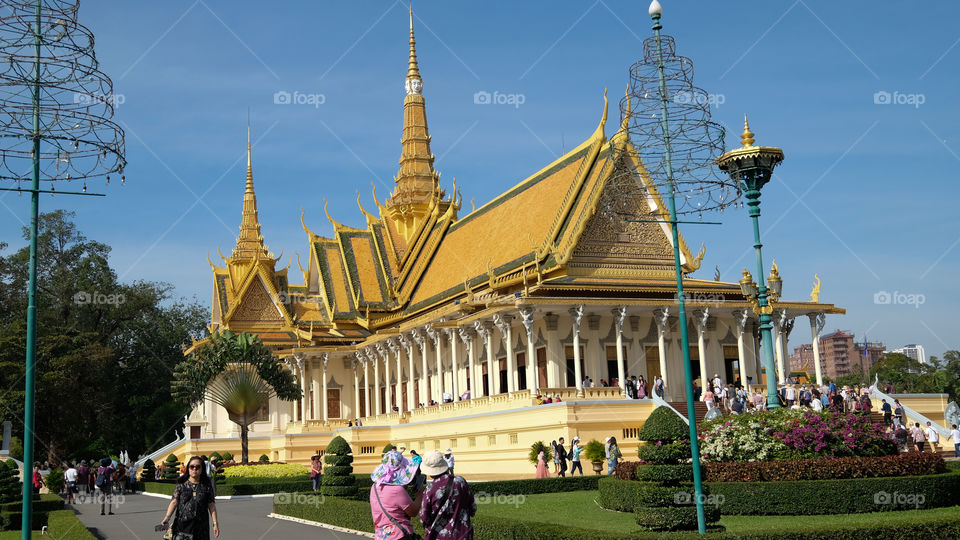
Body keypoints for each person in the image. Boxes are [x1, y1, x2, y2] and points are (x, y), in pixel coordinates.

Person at [419, 449, 476, 540]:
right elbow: (473, 508)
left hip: (440, 536)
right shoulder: (461, 481)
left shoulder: (430, 489)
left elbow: (424, 518)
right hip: (463, 534)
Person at [160, 456, 220, 539]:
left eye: (198, 467)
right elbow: (174, 502)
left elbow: (211, 505)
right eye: (192, 467)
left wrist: (215, 523)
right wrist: (167, 518)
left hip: (201, 528)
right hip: (182, 527)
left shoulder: (207, 486)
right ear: (188, 468)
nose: (194, 469)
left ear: (202, 469)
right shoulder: (181, 484)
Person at [369, 450, 423, 540]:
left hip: (381, 536)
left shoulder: (374, 487)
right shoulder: (397, 490)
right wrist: (419, 495)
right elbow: (413, 512)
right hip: (399, 535)